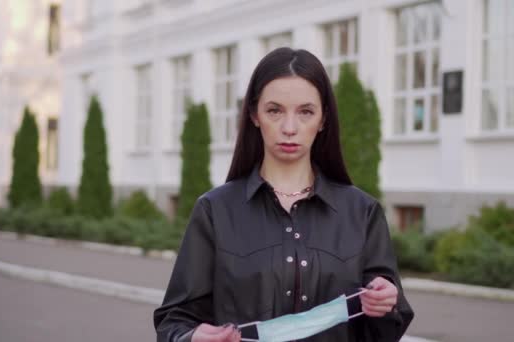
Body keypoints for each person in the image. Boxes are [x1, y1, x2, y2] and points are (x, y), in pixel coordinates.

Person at [154, 47, 414, 342]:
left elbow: (386, 329)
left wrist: (386, 305)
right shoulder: (216, 210)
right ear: (254, 114)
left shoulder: (362, 212)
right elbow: (174, 321)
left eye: (305, 112)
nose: (289, 128)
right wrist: (191, 338)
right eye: (275, 110)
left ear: (323, 119)